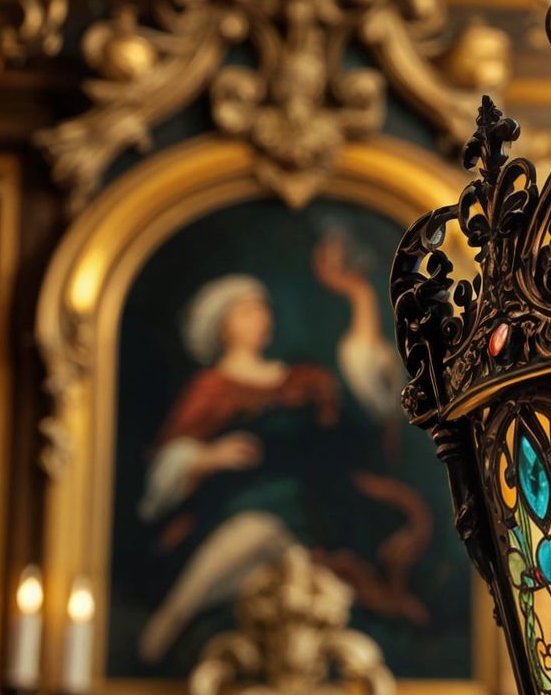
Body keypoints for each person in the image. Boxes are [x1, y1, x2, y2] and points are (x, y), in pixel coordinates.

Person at [137, 231, 431, 666]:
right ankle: (173, 617)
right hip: (234, 501)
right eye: (246, 309)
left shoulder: (302, 377)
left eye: (262, 308)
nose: (259, 317)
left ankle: (174, 618)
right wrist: (207, 457)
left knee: (283, 551)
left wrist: (359, 297)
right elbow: (165, 465)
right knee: (256, 532)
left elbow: (366, 405)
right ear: (221, 323)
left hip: (315, 503)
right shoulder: (209, 389)